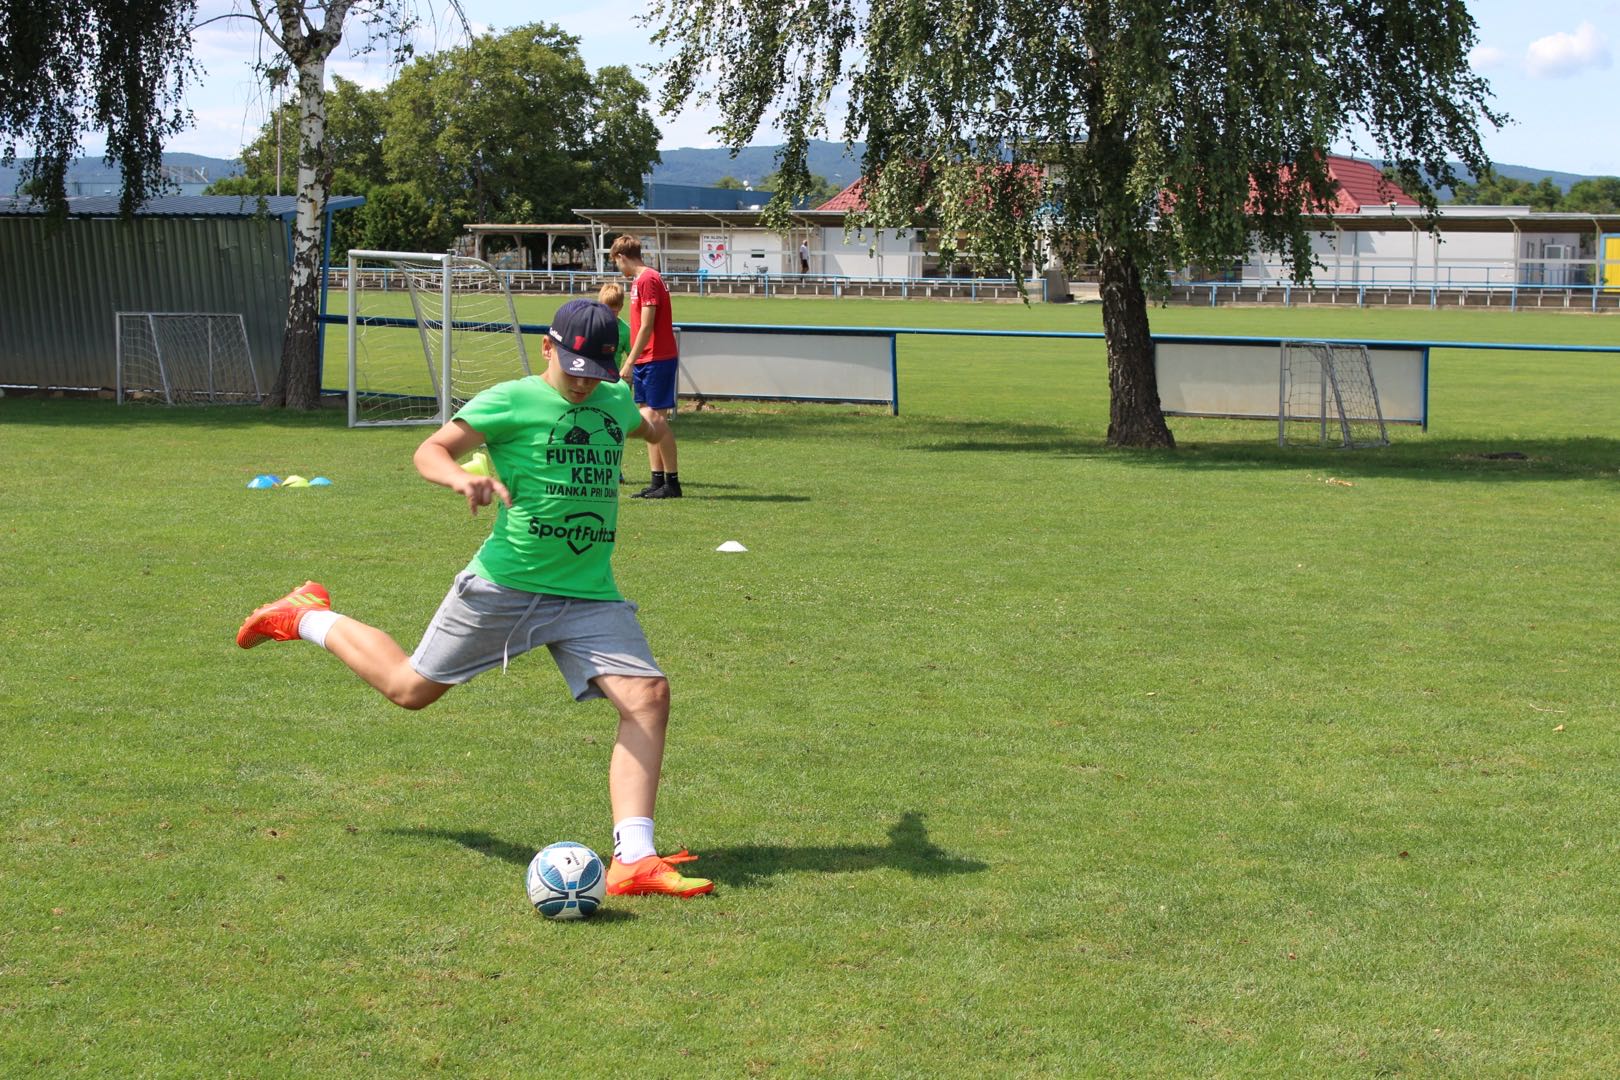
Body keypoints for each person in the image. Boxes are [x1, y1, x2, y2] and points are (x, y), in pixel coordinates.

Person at [234, 298, 713, 901]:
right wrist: (462, 477)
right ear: (548, 348)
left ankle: (634, 859)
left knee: (647, 697)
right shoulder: (510, 399)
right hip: (505, 587)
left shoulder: (612, 398)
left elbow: (645, 423)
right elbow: (429, 450)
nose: (584, 385)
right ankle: (306, 614)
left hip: (590, 593)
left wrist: (654, 423)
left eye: (596, 374)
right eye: (573, 372)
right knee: (410, 690)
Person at [610, 235, 682, 499]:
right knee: (648, 420)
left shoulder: (648, 279)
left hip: (656, 358)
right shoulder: (639, 282)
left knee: (657, 420)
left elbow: (647, 325)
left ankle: (672, 483)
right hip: (646, 359)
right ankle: (657, 481)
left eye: (616, 262)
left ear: (621, 256)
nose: (618, 268)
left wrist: (629, 360)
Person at [598, 282, 634, 486]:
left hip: (614, 386)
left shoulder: (625, 330)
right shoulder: (592, 325)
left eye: (614, 310)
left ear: (620, 307)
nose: (610, 314)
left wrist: (629, 372)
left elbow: (633, 356)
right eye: (606, 309)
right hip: (592, 385)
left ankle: (614, 468)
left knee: (612, 430)